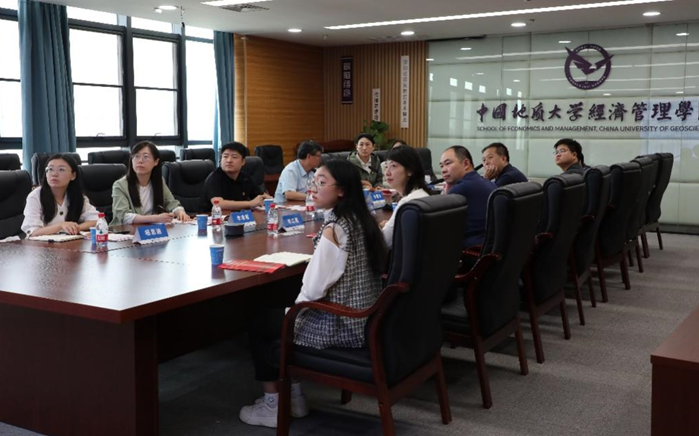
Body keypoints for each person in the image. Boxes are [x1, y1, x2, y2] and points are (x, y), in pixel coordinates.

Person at [240, 159, 387, 428]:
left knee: (260, 318)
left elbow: (314, 289)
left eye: (321, 183)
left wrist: (292, 317)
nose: (313, 188)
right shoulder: (362, 219)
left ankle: (273, 405)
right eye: (313, 181)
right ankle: (294, 396)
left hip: (339, 325)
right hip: (362, 319)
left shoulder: (336, 228)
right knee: (276, 302)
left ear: (342, 190)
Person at [111, 141, 190, 226]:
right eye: (136, 156)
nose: (140, 161)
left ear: (156, 161)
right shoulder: (120, 185)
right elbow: (123, 216)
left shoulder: (158, 181)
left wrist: (179, 211)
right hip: (126, 231)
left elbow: (171, 202)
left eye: (145, 157)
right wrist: (156, 218)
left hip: (151, 229)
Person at [21, 154, 98, 236]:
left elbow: (97, 220)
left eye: (61, 169)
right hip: (41, 243)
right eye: (50, 169)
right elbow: (33, 232)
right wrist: (61, 226)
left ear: (73, 175)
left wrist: (75, 227)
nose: (54, 174)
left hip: (68, 242)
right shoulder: (35, 196)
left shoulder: (77, 196)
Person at [439, 145, 497, 248]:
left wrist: (449, 194)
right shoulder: (487, 182)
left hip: (472, 250)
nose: (443, 170)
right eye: (441, 166)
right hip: (489, 247)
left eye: (447, 164)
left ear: (466, 163)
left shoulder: (461, 189)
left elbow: (442, 226)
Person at [379, 145, 431, 248]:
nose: (387, 172)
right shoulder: (424, 194)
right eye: (386, 166)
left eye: (393, 166)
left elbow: (382, 242)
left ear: (410, 170)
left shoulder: (407, 203)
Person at [201, 141, 271, 211]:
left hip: (238, 215)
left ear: (243, 162)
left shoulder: (245, 178)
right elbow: (219, 203)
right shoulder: (214, 178)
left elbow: (261, 195)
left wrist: (269, 199)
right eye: (225, 156)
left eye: (234, 157)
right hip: (212, 216)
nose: (229, 160)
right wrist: (250, 203)